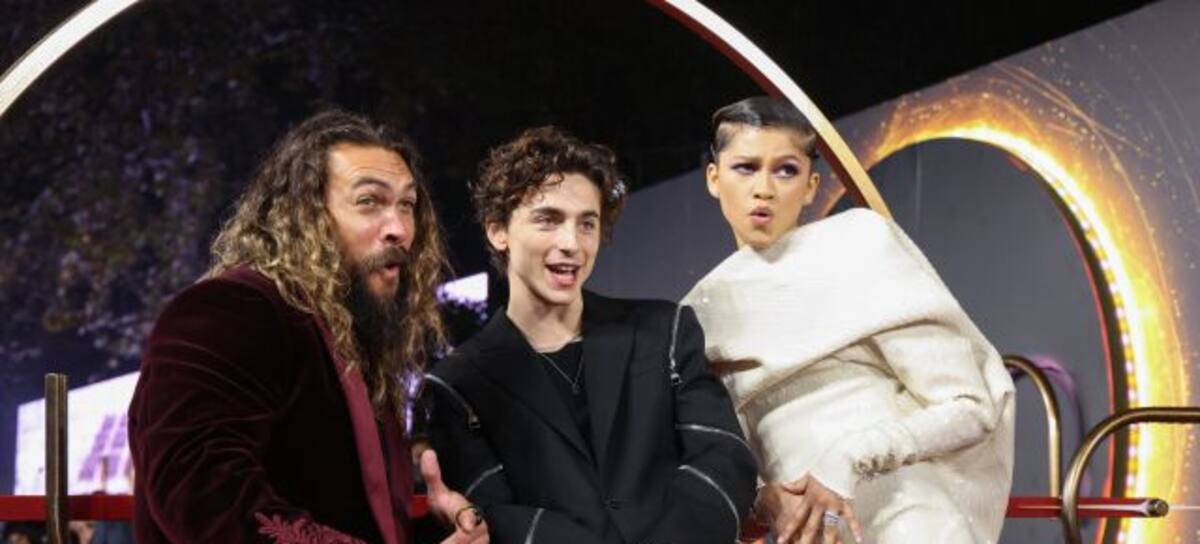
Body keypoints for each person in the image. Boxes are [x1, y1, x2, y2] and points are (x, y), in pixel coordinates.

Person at [128, 110, 489, 544]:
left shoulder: (357, 340)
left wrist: (443, 528)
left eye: (407, 205)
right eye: (369, 201)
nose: (399, 229)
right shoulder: (230, 309)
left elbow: (352, 519)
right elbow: (202, 497)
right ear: (304, 214)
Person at [682, 97, 1015, 544]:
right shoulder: (699, 312)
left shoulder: (859, 245)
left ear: (811, 185)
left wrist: (848, 458)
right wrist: (761, 498)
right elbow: (721, 453)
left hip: (912, 515)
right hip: (810, 529)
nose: (764, 189)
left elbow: (970, 406)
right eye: (745, 168)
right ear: (713, 177)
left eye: (786, 170)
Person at [424, 126, 757, 543]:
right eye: (548, 220)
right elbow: (499, 518)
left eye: (587, 224)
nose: (571, 243)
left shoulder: (664, 331)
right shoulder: (457, 384)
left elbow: (723, 458)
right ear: (498, 231)